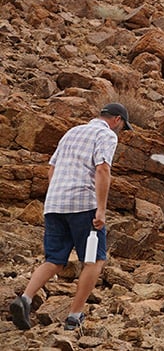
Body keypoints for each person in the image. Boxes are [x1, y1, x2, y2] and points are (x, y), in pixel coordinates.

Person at [10, 103, 131, 331]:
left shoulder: (72, 132)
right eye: (123, 127)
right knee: (95, 260)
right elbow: (102, 169)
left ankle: (25, 299)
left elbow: (52, 169)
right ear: (117, 120)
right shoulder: (106, 134)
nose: (121, 132)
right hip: (83, 203)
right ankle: (74, 316)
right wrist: (101, 209)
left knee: (54, 259)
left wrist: (57, 194)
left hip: (55, 202)